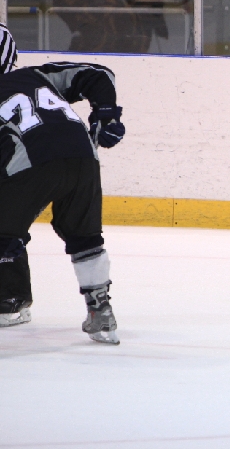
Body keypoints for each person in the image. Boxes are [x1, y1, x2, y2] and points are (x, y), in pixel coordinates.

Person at [0, 25, 126, 344]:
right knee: (86, 237)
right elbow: (98, 74)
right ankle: (101, 311)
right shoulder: (37, 76)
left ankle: (9, 303)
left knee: (4, 233)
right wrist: (107, 115)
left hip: (32, 160)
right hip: (84, 157)